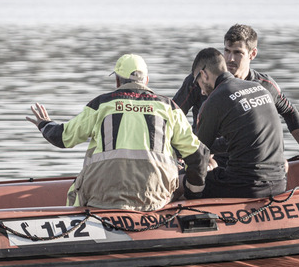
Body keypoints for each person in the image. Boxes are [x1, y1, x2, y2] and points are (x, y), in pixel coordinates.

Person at [26, 54, 212, 211]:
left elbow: (63, 138)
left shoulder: (100, 105)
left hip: (102, 199)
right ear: (146, 81)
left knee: (75, 190)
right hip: (156, 201)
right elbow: (199, 156)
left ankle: (70, 228)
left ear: (117, 81)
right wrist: (192, 196)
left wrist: (44, 124)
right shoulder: (169, 109)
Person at [173, 23, 299, 160]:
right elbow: (173, 114)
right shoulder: (201, 80)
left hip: (247, 162)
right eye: (227, 51)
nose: (230, 59)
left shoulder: (264, 85)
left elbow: (289, 112)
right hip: (207, 158)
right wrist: (177, 155)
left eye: (238, 53)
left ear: (253, 54)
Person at [187, 47, 287, 199]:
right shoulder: (259, 87)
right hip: (280, 183)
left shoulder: (214, 100)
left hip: (244, 186)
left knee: (181, 181)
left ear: (204, 74)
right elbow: (243, 140)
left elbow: (198, 154)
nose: (200, 91)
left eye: (197, 82)